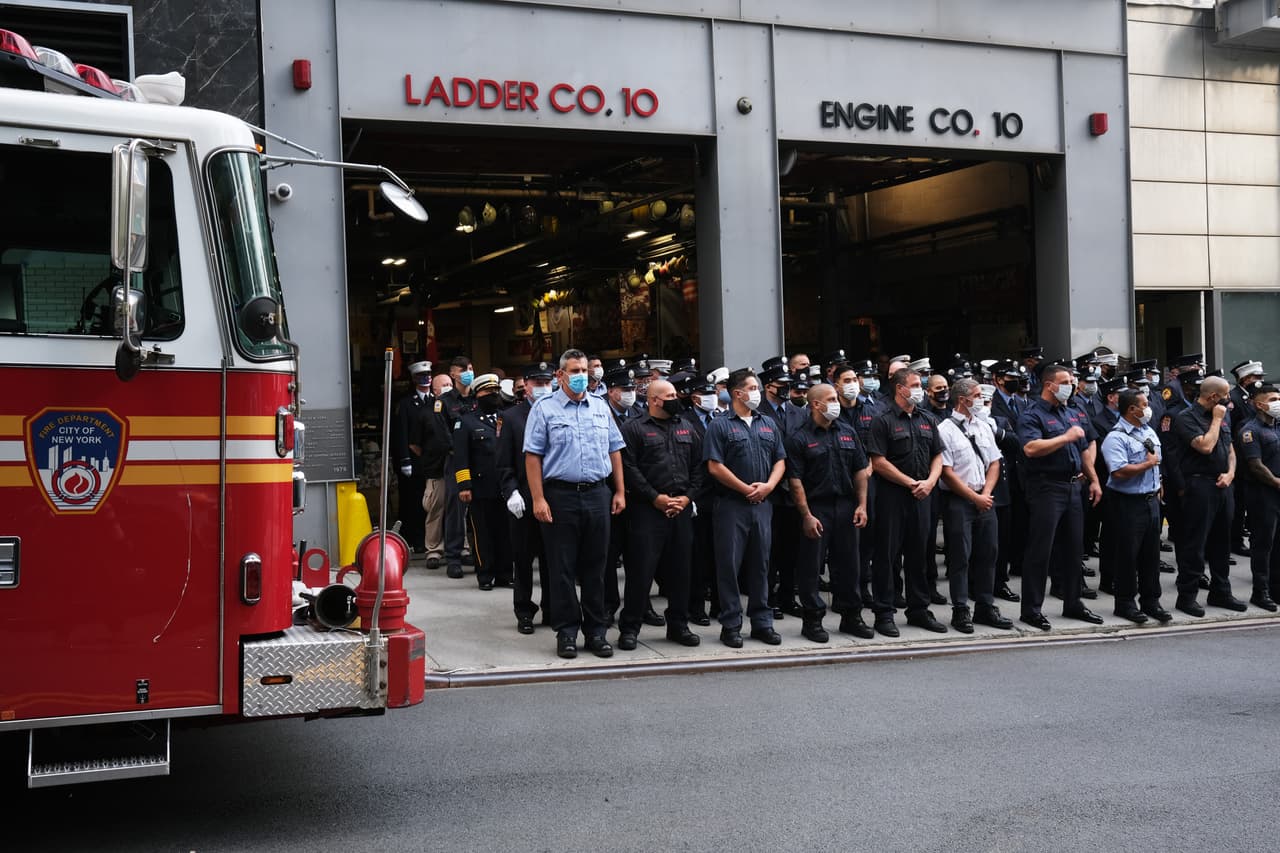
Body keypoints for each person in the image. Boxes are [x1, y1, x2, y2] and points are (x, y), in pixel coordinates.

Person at [524, 348, 627, 659]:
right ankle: (567, 632)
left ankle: (596, 631)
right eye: (575, 370)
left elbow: (615, 450)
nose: (582, 375)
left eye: (584, 370)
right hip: (560, 496)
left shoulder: (600, 407)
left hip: (598, 494)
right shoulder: (544, 409)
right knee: (562, 568)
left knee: (597, 566)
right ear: (560, 375)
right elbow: (533, 457)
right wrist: (538, 498)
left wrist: (619, 491)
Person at [1016, 363, 1104, 631]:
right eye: (1065, 381)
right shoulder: (1032, 414)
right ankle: (1031, 609)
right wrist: (1064, 437)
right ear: (1049, 385)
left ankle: (1073, 602)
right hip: (1047, 488)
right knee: (1040, 551)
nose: (1071, 385)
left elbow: (1085, 448)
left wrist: (1094, 479)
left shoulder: (1072, 411)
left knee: (1074, 549)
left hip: (1074, 486)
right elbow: (1031, 448)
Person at [616, 380, 703, 650]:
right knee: (641, 572)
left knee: (681, 572)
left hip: (681, 508)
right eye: (670, 395)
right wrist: (655, 498)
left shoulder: (687, 426)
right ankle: (630, 627)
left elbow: (700, 467)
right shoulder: (634, 428)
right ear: (654, 400)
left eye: (675, 394)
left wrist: (687, 498)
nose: (675, 399)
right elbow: (629, 468)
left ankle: (679, 625)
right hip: (647, 510)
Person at [704, 367, 787, 648]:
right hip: (732, 505)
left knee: (761, 565)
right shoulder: (720, 424)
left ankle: (762, 622)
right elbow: (715, 466)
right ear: (737, 393)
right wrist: (744, 488)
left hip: (762, 504)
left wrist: (768, 486)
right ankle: (731, 623)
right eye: (752, 388)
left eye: (758, 388)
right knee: (729, 565)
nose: (757, 393)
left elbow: (780, 460)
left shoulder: (768, 423)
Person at [786, 382, 872, 641]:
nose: (836, 402)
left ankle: (851, 616)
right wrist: (806, 515)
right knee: (811, 567)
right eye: (832, 398)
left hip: (846, 506)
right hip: (817, 507)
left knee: (849, 565)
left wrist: (862, 505)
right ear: (816, 404)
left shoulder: (847, 432)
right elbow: (795, 481)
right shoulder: (799, 438)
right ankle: (812, 620)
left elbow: (859, 470)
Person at [865, 368, 947, 636]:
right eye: (914, 385)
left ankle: (919, 609)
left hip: (923, 494)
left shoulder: (927, 419)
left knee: (919, 555)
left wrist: (931, 481)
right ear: (900, 388)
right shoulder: (883, 420)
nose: (920, 389)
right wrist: (909, 482)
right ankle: (884, 612)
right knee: (887, 556)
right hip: (893, 497)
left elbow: (938, 455)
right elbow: (878, 461)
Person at [937, 378, 1014, 632]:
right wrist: (974, 497)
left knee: (988, 554)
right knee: (960, 557)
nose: (982, 400)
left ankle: (985, 605)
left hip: (985, 498)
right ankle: (961, 609)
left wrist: (987, 493)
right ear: (963, 399)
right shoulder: (945, 430)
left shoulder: (982, 426)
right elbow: (946, 472)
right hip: (960, 500)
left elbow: (994, 462)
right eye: (978, 395)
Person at [1171, 374, 1246, 616]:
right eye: (1224, 396)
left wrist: (1231, 474)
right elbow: (1205, 446)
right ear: (1213, 397)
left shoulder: (1223, 415)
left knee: (1222, 543)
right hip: (1199, 487)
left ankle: (1221, 592)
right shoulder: (1186, 418)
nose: (1228, 400)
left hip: (1224, 484)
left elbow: (1231, 449)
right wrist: (1215, 419)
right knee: (1195, 544)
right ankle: (1187, 596)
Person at [1100, 389, 1171, 623]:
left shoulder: (1147, 430)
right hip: (1127, 503)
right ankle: (1125, 603)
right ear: (1132, 409)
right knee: (1127, 556)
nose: (1148, 407)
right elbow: (1119, 471)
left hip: (1151, 501)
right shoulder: (1116, 437)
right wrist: (1147, 464)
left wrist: (1157, 480)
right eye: (1144, 403)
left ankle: (1151, 601)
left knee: (1151, 555)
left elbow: (1157, 461)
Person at [496, 362, 554, 634]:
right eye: (537, 383)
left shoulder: (558, 411)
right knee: (522, 558)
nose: (542, 388)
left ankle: (553, 608)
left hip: (554, 495)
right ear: (526, 386)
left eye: (546, 383)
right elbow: (503, 462)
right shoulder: (511, 417)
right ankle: (524, 611)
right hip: (523, 497)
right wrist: (511, 491)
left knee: (553, 557)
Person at [452, 374, 513, 591]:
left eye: (496, 392)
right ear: (478, 394)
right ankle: (485, 574)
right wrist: (464, 486)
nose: (494, 396)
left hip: (505, 487)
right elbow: (460, 457)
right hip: (480, 487)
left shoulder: (505, 418)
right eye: (489, 392)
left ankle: (505, 574)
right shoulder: (466, 421)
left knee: (506, 533)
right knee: (483, 534)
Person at [682, 375, 720, 625]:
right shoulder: (685, 421)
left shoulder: (719, 418)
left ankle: (720, 605)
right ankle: (696, 607)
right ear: (695, 398)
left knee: (721, 555)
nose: (712, 397)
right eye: (706, 394)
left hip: (721, 496)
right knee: (698, 557)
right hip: (698, 496)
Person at [1239, 383, 1280, 611]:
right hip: (1263, 494)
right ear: (1259, 404)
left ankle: (1276, 589)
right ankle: (1260, 592)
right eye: (1273, 399)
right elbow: (1255, 465)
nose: (1278, 403)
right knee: (1263, 545)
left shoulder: (1277, 427)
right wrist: (1276, 482)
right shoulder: (1250, 430)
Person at [439, 355, 476, 578]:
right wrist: (461, 451)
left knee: (480, 509)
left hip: (479, 460)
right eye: (463, 369)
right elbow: (442, 436)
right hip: (456, 461)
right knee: (455, 508)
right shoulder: (443, 402)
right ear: (453, 374)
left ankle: (476, 552)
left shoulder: (477, 398)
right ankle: (453, 556)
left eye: (470, 368)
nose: (468, 372)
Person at [414, 372, 455, 569]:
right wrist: (430, 456)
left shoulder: (458, 407)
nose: (448, 387)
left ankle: (461, 547)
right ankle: (434, 550)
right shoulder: (425, 412)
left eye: (450, 383)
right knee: (435, 510)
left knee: (459, 511)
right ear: (435, 390)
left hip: (457, 467)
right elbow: (415, 444)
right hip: (436, 469)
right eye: (444, 385)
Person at [392, 361, 434, 553]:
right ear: (414, 379)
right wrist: (404, 460)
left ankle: (430, 538)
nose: (426, 379)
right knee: (414, 501)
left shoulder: (435, 400)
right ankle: (415, 538)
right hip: (414, 459)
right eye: (421, 376)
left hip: (432, 459)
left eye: (428, 375)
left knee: (432, 501)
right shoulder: (406, 404)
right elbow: (401, 433)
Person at [1229, 359, 1265, 557]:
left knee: (1250, 504)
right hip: (1241, 460)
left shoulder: (1254, 397)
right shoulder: (1234, 399)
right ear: (1246, 379)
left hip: (1255, 458)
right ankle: (1235, 541)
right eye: (1256, 377)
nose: (1259, 381)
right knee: (1239, 503)